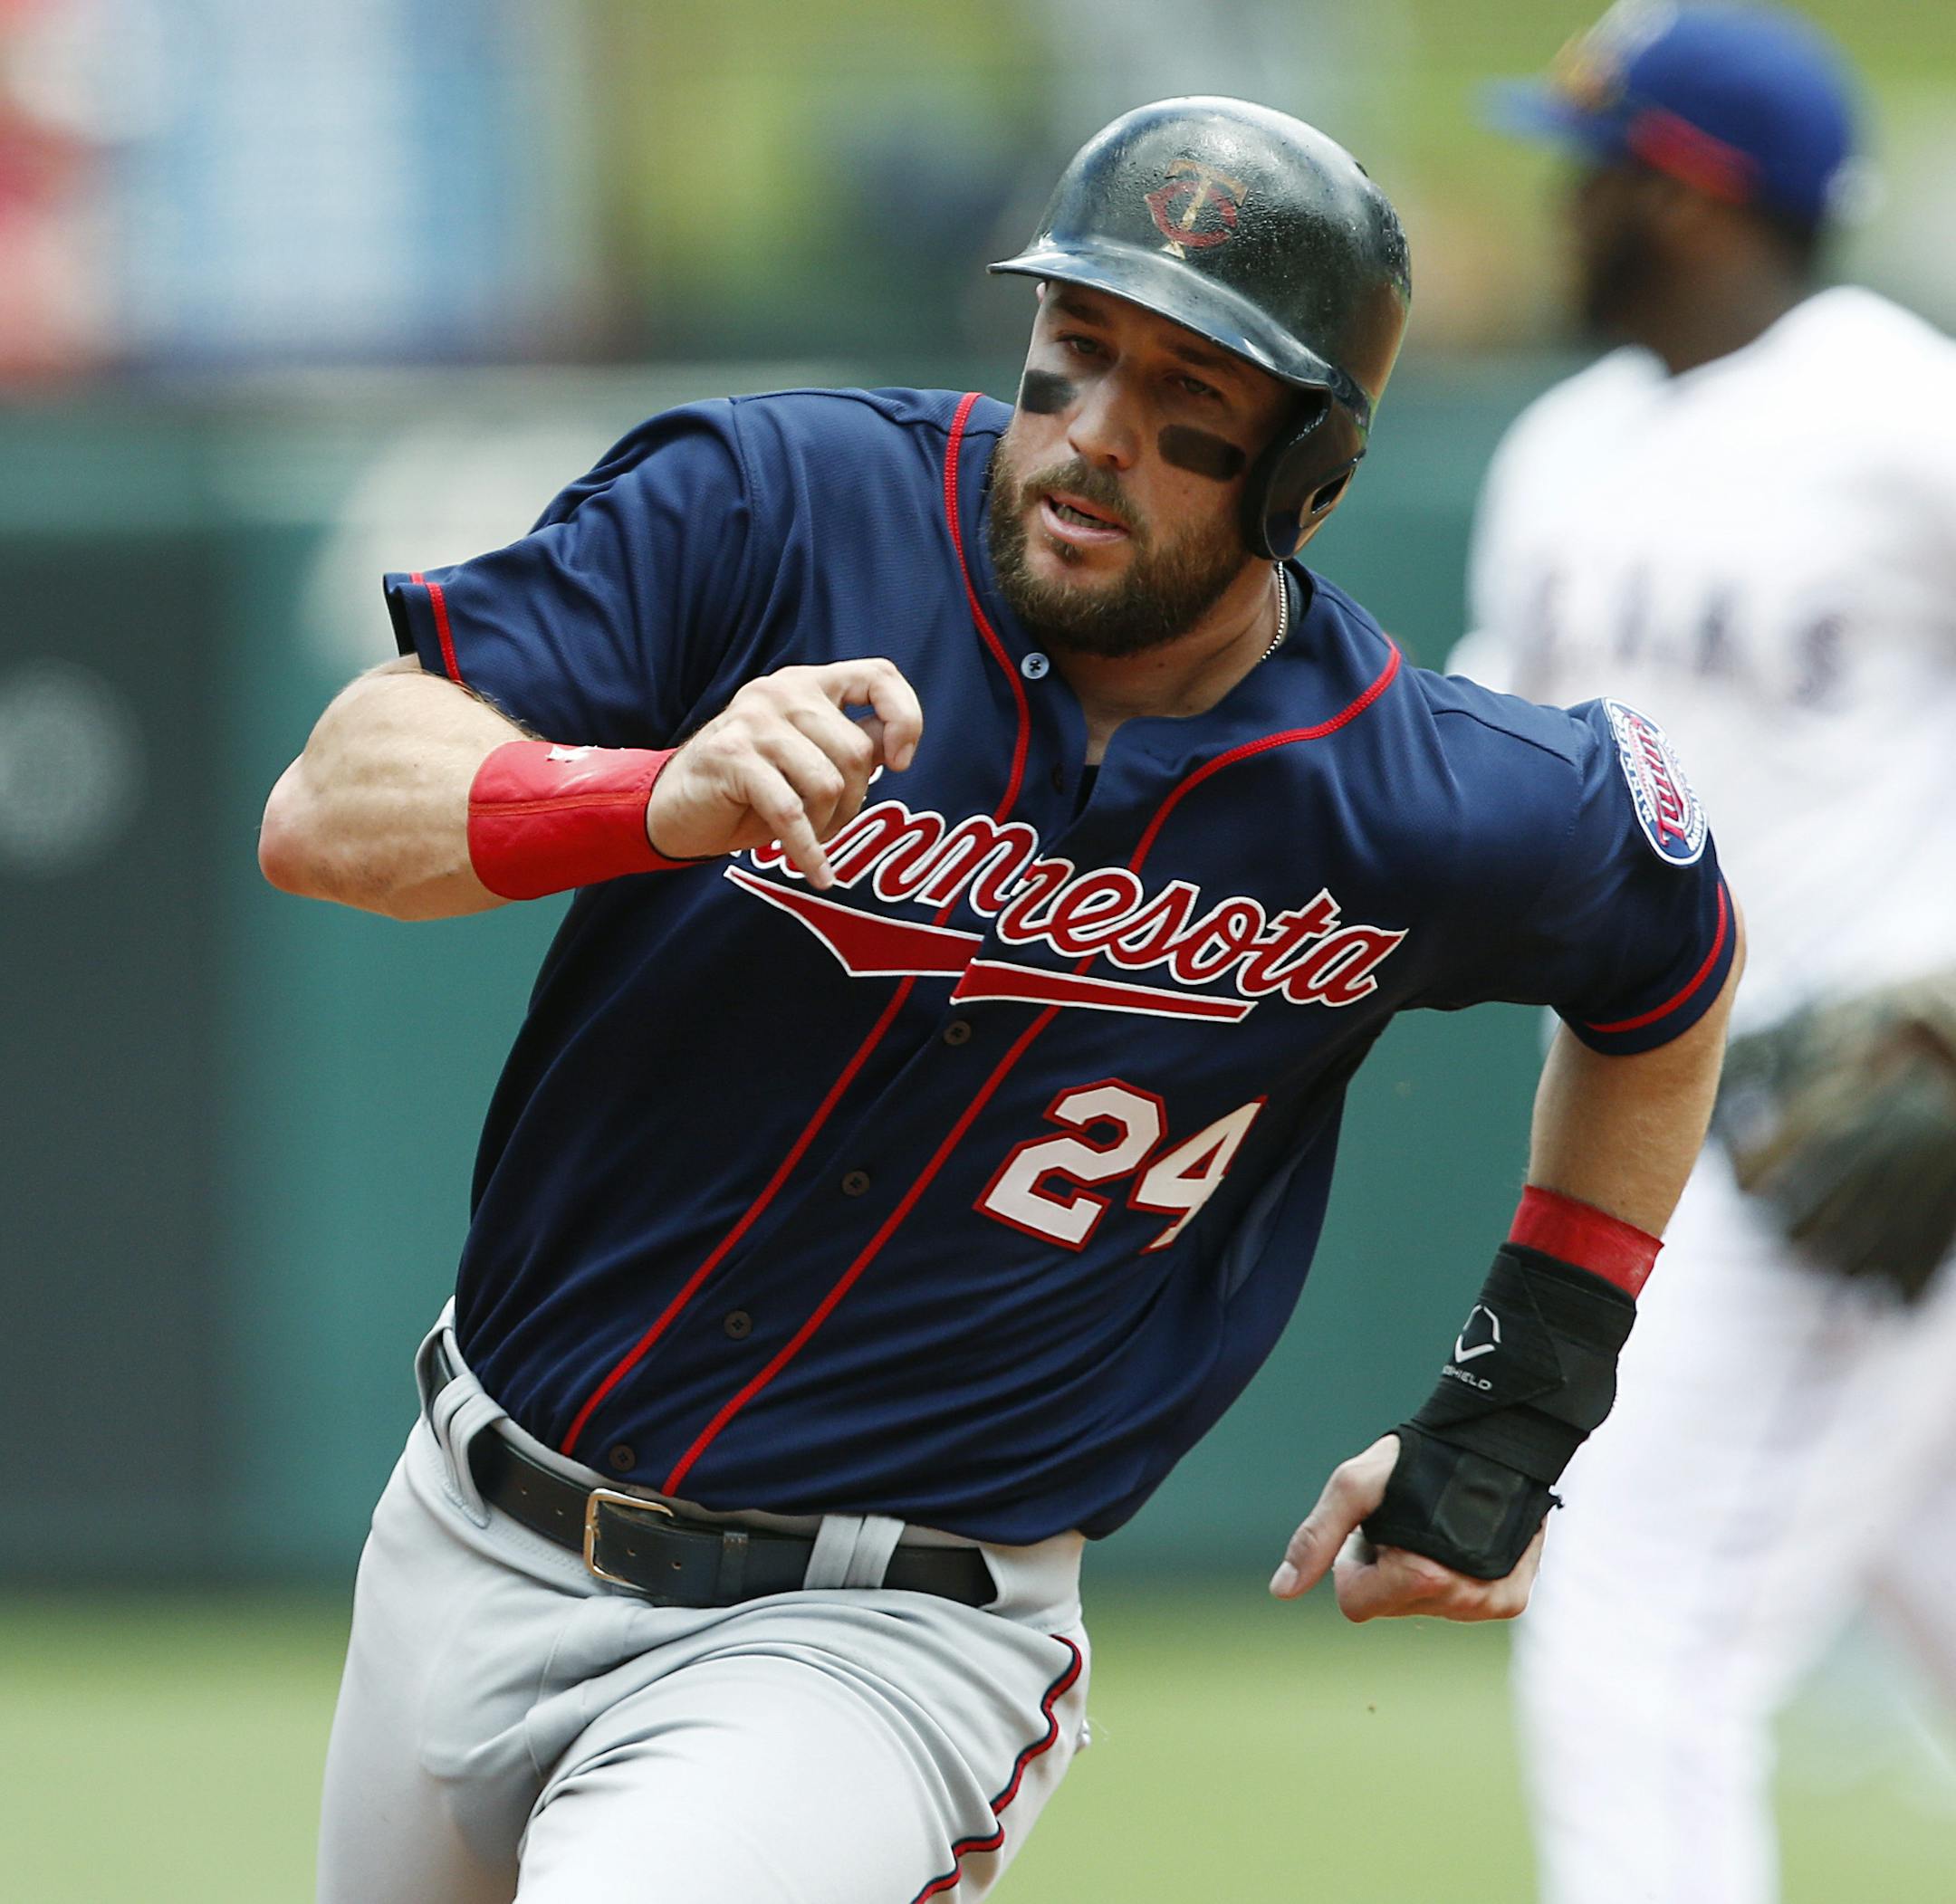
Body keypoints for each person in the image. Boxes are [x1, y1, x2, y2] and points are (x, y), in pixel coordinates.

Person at [261, 96, 1741, 1904]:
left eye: (1188, 394)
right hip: (459, 1523)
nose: (1097, 434)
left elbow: (1672, 962)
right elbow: (331, 804)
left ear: (1310, 472)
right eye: (1077, 349)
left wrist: (1521, 1397)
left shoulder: (1420, 797)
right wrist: (643, 794)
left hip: (877, 1637)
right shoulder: (779, 505)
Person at [1453, 9, 1956, 1902]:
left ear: (1688, 190)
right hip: (1679, 1119)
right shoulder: (1568, 446)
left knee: (1636, 1622)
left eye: (1594, 166)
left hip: (1868, 1115)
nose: (1564, 201)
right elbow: (1491, 783)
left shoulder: (1900, 407)